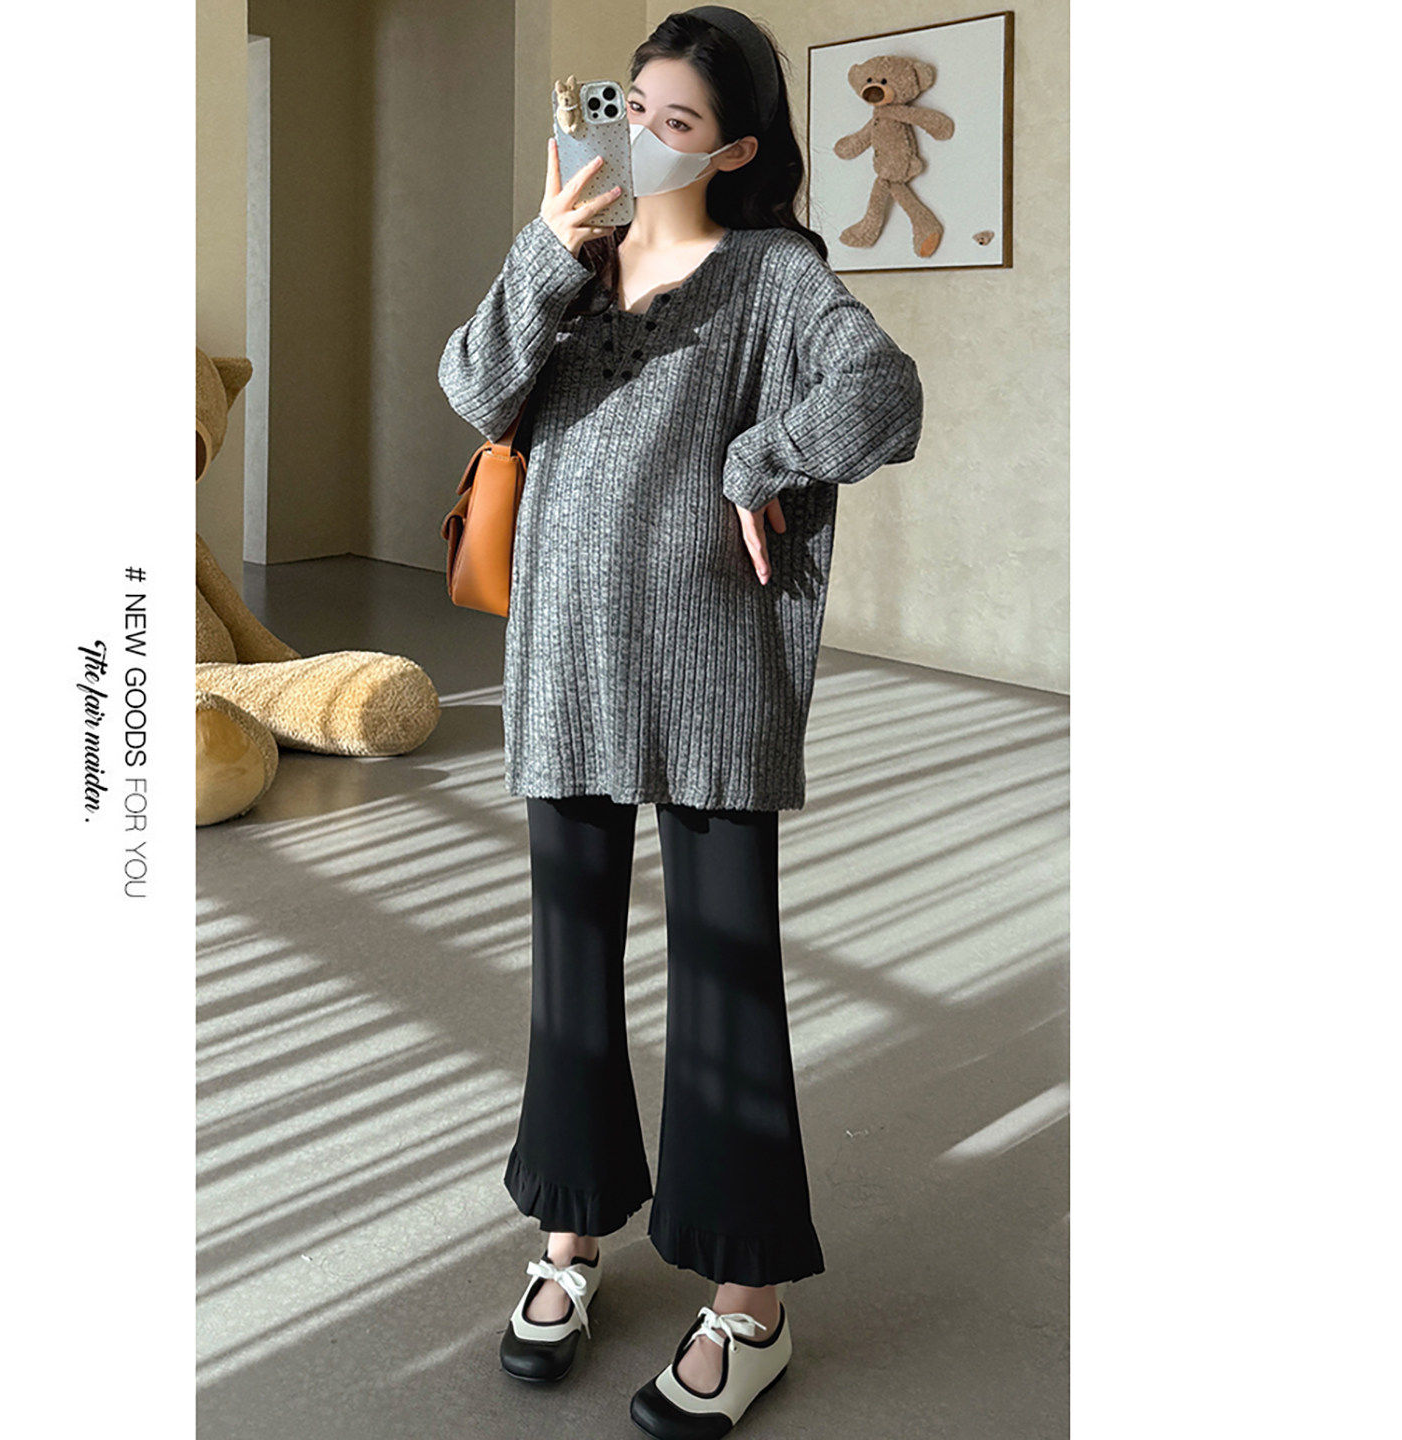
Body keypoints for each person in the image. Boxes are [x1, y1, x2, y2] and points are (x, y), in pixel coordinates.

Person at [437, 7, 923, 1435]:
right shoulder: (570, 265)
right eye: (632, 107)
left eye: (678, 121)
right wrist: (546, 243)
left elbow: (882, 392)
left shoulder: (773, 275)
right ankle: (570, 1239)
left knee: (726, 981)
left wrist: (759, 458)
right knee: (570, 970)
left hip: (713, 678)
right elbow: (471, 389)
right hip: (564, 671)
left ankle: (749, 1304)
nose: (644, 135)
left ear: (738, 151)